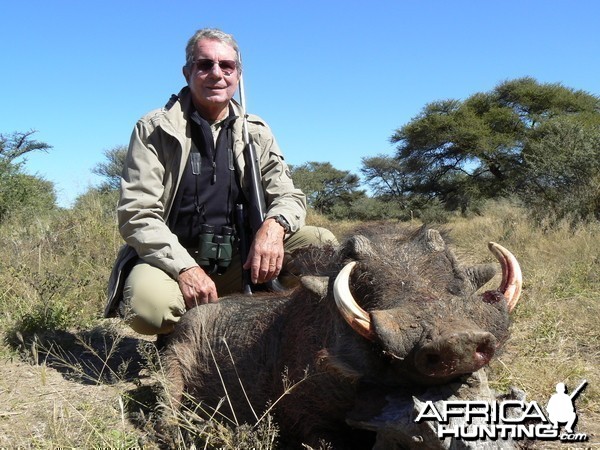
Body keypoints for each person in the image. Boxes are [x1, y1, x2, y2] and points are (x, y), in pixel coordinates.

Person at [105, 28, 337, 336]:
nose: (217, 73)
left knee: (322, 244)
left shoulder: (256, 131)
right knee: (150, 310)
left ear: (238, 75)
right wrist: (185, 268)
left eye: (227, 66)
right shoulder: (154, 129)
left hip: (245, 259)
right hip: (175, 262)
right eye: (205, 65)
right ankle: (179, 334)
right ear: (188, 72)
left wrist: (273, 227)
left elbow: (289, 196)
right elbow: (137, 214)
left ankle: (291, 333)